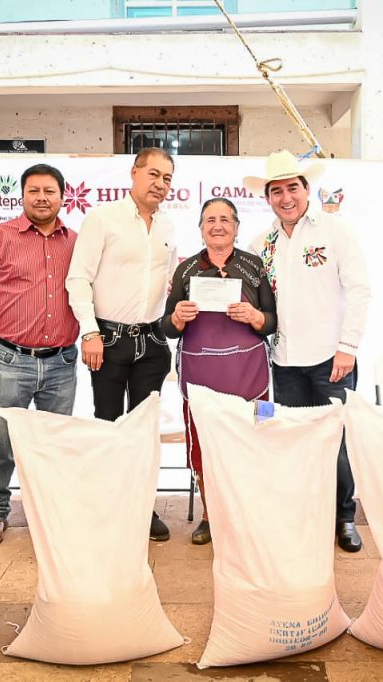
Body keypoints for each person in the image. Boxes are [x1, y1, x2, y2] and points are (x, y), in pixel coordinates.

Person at [246, 150, 371, 553]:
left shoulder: (336, 231)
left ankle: (344, 518)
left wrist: (347, 348)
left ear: (307, 190)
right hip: (283, 363)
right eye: (276, 191)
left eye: (292, 188)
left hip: (330, 360)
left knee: (335, 443)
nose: (286, 197)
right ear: (267, 197)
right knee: (296, 443)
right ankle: (305, 517)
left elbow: (359, 290)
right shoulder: (260, 243)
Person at [0, 163, 79, 549]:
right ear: (22, 195)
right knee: (2, 441)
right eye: (34, 191)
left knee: (55, 442)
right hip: (10, 359)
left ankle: (50, 514)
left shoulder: (77, 243)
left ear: (63, 196)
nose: (42, 198)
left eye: (50, 191)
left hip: (62, 361)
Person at [66, 147, 179, 542]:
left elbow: (171, 281)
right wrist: (89, 331)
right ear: (134, 173)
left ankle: (142, 505)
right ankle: (110, 508)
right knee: (109, 425)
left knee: (144, 430)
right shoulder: (102, 218)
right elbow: (78, 278)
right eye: (153, 174)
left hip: (152, 340)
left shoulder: (169, 226)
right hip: (108, 339)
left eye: (167, 178)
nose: (160, 184)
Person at [162, 198, 277, 545]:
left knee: (254, 442)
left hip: (249, 376)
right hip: (201, 376)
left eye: (225, 219)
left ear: (237, 227)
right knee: (205, 446)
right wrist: (178, 318)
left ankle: (250, 514)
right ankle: (211, 517)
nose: (218, 226)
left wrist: (256, 317)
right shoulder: (185, 271)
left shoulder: (255, 267)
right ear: (200, 228)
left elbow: (272, 321)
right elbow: (167, 327)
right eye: (210, 219)